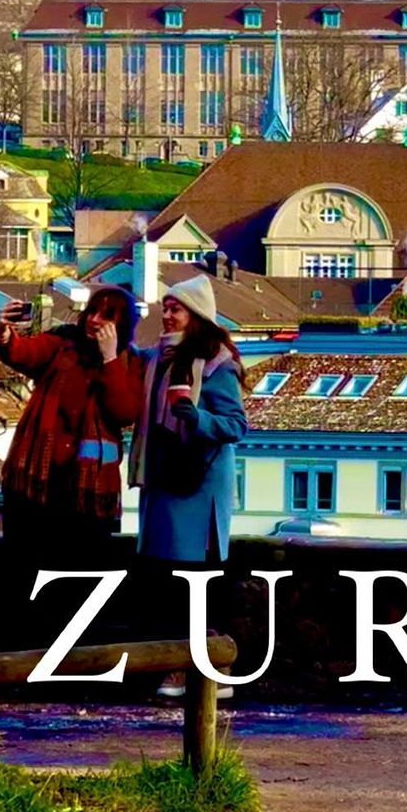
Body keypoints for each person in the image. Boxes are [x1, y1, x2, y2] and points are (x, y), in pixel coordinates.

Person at [129, 273, 247, 698]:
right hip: (164, 480)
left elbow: (236, 425)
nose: (167, 315)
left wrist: (196, 418)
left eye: (175, 308)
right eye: (165, 307)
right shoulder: (155, 359)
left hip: (197, 487)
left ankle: (202, 672)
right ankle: (186, 670)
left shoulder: (215, 364)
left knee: (193, 581)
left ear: (195, 315)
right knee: (168, 582)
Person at [0, 284, 143, 561]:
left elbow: (124, 412)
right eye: (92, 312)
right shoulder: (62, 344)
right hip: (35, 483)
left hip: (88, 493)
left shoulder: (129, 363)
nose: (94, 320)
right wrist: (4, 333)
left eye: (107, 316)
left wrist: (109, 358)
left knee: (76, 571)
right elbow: (23, 352)